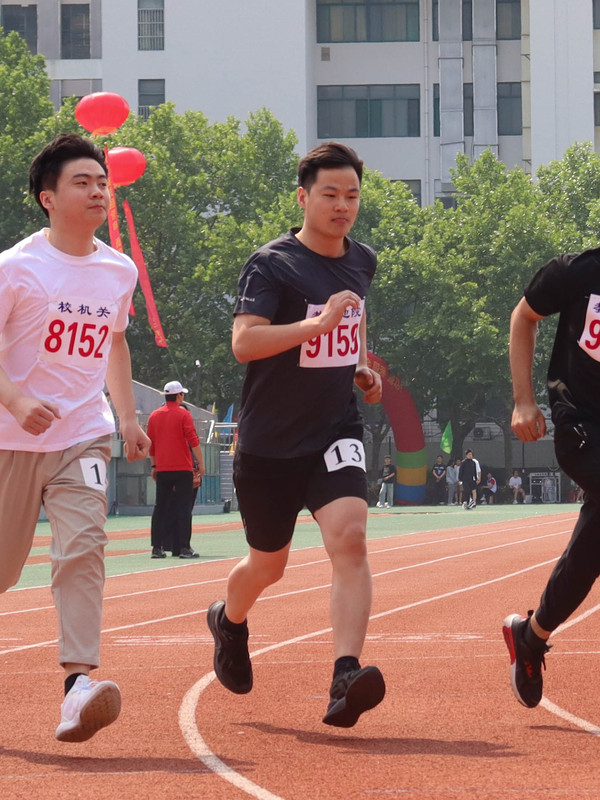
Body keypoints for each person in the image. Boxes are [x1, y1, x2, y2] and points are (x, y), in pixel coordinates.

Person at [206, 141, 386, 728]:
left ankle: (345, 674)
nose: (343, 206)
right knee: (268, 565)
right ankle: (229, 621)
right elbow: (244, 343)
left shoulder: (362, 260)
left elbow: (353, 314)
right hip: (270, 441)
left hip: (334, 427)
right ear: (303, 197)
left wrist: (358, 365)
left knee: (350, 539)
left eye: (352, 195)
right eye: (330, 194)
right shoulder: (272, 264)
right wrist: (318, 324)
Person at [0, 133, 150, 742]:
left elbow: (114, 341)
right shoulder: (15, 268)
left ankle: (77, 686)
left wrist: (127, 418)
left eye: (102, 183)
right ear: (48, 197)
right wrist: (16, 400)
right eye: (82, 182)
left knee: (84, 548)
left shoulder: (119, 270)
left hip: (84, 435)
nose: (97, 192)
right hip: (10, 439)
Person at [503, 244, 600, 709]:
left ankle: (532, 635)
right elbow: (524, 316)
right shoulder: (579, 271)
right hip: (583, 428)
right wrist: (524, 400)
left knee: (590, 551)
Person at [147, 381, 205, 559]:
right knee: (183, 508)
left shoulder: (154, 415)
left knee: (160, 508)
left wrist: (154, 465)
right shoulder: (183, 414)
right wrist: (201, 463)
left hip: (163, 468)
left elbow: (151, 444)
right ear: (179, 396)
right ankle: (184, 547)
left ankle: (157, 547)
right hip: (182, 468)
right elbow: (193, 440)